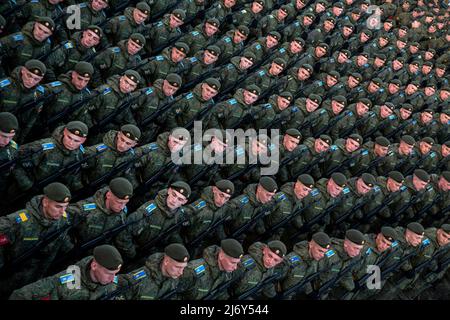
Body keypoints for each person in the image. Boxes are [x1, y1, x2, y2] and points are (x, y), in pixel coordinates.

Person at [9, 244, 123, 300]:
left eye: (115, 273)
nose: (113, 278)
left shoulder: (111, 283)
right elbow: (19, 295)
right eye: (109, 273)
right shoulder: (66, 281)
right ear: (94, 266)